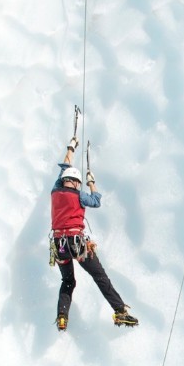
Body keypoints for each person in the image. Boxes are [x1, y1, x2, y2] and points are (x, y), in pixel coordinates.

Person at [50, 142, 138, 332]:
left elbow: (65, 167)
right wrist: (92, 182)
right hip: (76, 244)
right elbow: (96, 200)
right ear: (75, 182)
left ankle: (62, 317)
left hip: (59, 246)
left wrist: (71, 148)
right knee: (99, 276)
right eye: (78, 182)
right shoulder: (79, 195)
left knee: (68, 281)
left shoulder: (55, 191)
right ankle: (120, 310)